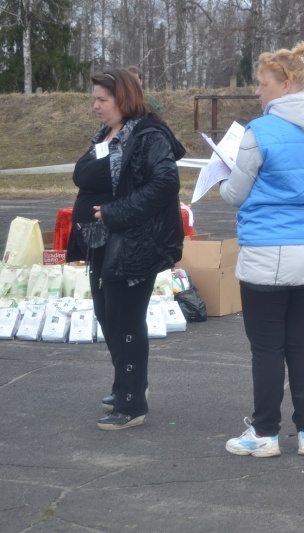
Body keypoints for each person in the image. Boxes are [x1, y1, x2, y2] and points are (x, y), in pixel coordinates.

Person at [220, 41, 304, 457]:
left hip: (267, 253)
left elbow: (234, 195)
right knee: (303, 345)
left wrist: (225, 177)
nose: (257, 92)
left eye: (262, 84)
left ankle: (265, 433)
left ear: (286, 83)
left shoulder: (261, 132)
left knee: (267, 348)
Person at [65, 68, 185, 430]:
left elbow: (165, 182)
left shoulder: (149, 135)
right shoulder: (107, 133)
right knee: (107, 315)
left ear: (124, 99)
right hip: (104, 243)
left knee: (125, 319)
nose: (95, 107)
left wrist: (116, 213)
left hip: (136, 243)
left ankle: (133, 404)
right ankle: (126, 385)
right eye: (94, 100)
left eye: (102, 100)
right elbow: (86, 175)